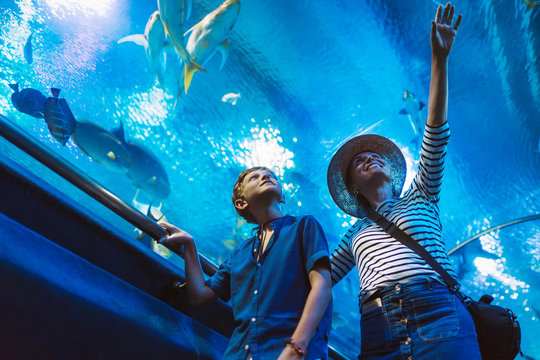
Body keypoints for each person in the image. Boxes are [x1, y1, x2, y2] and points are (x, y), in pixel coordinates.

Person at [327, 3, 480, 359]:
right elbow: (320, 278)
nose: (369, 158)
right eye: (359, 163)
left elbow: (435, 133)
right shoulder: (353, 235)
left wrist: (439, 60)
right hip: (378, 321)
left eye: (373, 156)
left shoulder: (421, 195)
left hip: (437, 308)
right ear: (352, 188)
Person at [159, 166, 332, 360]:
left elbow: (322, 285)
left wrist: (296, 348)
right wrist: (190, 245)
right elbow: (200, 295)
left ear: (282, 197)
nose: (265, 176)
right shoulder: (240, 253)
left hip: (294, 351)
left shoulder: (303, 226)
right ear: (241, 203)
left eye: (271, 175)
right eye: (254, 178)